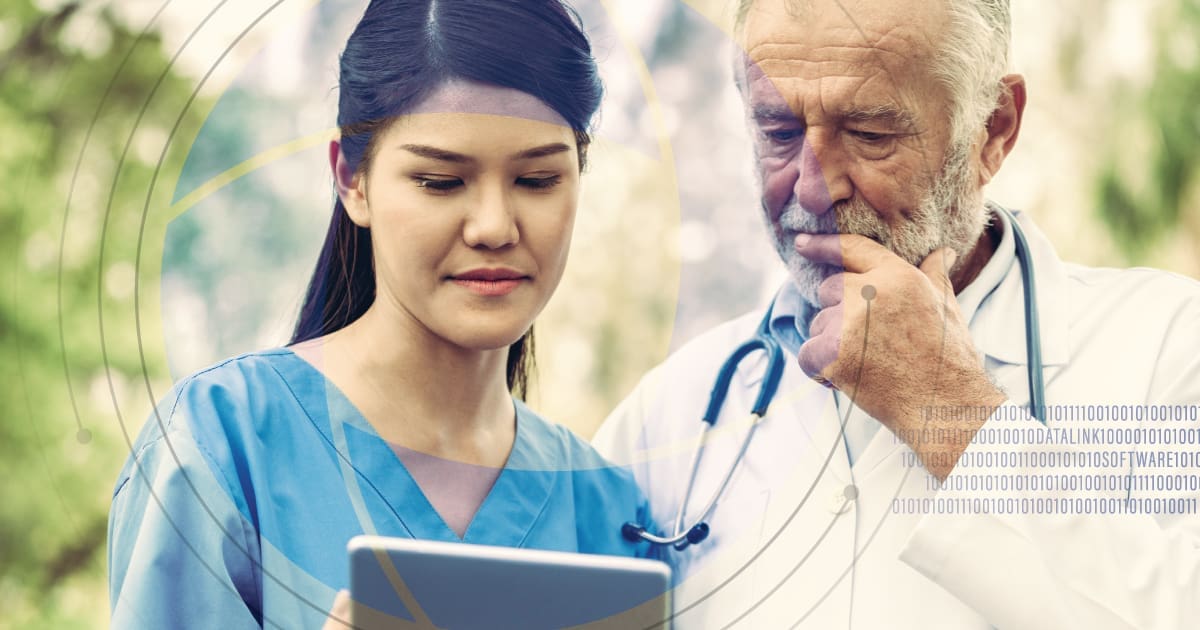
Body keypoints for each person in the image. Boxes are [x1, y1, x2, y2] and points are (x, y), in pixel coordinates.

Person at [593, 0, 1200, 627]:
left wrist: (946, 408)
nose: (810, 187)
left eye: (870, 135)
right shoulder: (669, 413)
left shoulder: (1170, 350)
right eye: (778, 132)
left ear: (994, 130)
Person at [107, 1, 656, 628]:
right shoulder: (218, 445)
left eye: (537, 180)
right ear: (353, 180)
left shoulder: (609, 515)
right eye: (439, 181)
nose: (495, 227)